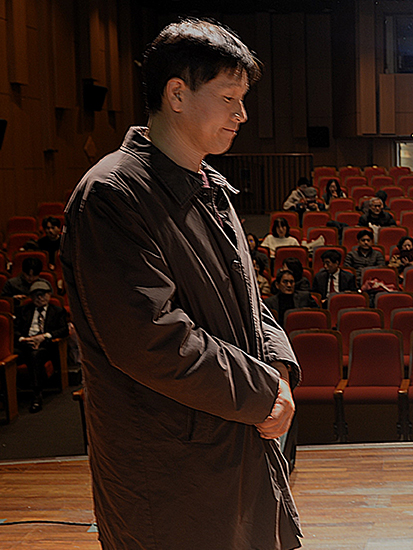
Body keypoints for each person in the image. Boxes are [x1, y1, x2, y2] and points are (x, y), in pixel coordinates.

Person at [60, 19, 302, 550]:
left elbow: (250, 302)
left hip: (233, 442)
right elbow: (150, 338)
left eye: (243, 99)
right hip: (170, 468)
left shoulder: (210, 184)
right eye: (229, 98)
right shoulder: (112, 194)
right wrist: (265, 392)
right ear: (177, 94)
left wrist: (280, 370)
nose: (242, 114)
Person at [13, 280, 69, 413]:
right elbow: (14, 329)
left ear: (49, 295)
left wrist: (44, 336)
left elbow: (64, 330)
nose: (39, 298)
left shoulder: (57, 311)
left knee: (35, 355)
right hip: (25, 344)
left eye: (43, 294)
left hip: (46, 346)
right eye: (36, 295)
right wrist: (23, 339)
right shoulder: (23, 310)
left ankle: (36, 395)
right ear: (31, 297)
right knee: (10, 355)